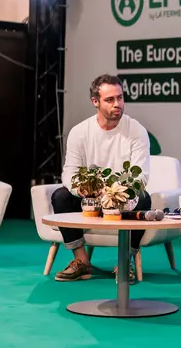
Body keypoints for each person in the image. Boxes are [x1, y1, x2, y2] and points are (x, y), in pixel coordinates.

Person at [51, 74, 151, 283]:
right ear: (95, 102)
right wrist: (81, 189)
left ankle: (125, 262)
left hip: (121, 198)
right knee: (60, 196)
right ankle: (81, 261)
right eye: (110, 99)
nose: (118, 104)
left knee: (143, 198)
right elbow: (69, 171)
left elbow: (140, 175)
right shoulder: (80, 132)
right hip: (91, 197)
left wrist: (116, 193)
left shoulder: (136, 130)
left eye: (120, 98)